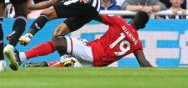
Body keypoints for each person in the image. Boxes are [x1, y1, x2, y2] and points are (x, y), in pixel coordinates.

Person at [12, 12, 153, 68]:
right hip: (98, 64)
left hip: (92, 51)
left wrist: (80, 9)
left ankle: (22, 57)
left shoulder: (119, 21)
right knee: (68, 65)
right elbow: (143, 63)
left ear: (132, 18)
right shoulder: (137, 43)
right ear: (143, 26)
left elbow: (95, 15)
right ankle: (44, 66)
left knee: (58, 41)